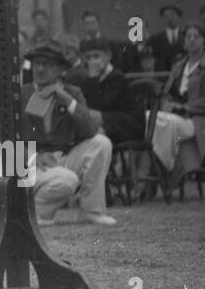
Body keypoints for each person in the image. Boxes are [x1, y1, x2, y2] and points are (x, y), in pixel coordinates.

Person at [12, 40, 115, 226]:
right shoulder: (21, 93)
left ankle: (91, 211)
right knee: (67, 180)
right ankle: (33, 214)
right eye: (37, 64)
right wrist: (34, 155)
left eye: (48, 64)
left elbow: (90, 130)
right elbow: (6, 138)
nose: (40, 69)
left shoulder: (72, 92)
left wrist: (67, 101)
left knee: (102, 142)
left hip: (62, 159)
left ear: (61, 69)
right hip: (30, 163)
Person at [155, 23, 205, 187]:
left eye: (197, 36)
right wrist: (166, 104)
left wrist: (185, 108)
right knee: (151, 120)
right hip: (176, 116)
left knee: (166, 124)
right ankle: (158, 170)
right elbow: (166, 93)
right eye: (189, 36)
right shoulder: (178, 66)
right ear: (184, 42)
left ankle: (167, 168)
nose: (192, 39)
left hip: (201, 120)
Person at [76, 38, 143, 143]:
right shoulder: (89, 79)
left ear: (108, 56)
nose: (92, 61)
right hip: (107, 121)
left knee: (90, 130)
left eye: (96, 56)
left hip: (126, 125)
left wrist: (93, 77)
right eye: (88, 58)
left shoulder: (117, 77)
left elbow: (98, 105)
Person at [150, 5, 187, 73]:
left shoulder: (186, 35)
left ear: (179, 18)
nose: (169, 18)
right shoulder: (155, 38)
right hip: (161, 75)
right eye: (166, 16)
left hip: (182, 73)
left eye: (172, 15)